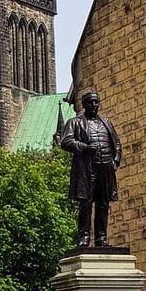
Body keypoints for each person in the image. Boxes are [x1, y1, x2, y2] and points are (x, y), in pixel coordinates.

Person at [60, 90, 122, 248]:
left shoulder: (106, 122)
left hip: (106, 168)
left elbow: (117, 144)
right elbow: (66, 141)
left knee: (103, 204)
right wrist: (85, 147)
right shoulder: (75, 122)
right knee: (86, 203)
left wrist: (115, 161)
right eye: (90, 102)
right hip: (87, 169)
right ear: (84, 104)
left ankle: (101, 238)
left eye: (96, 102)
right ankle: (84, 236)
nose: (94, 105)